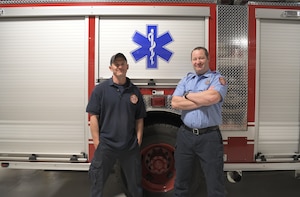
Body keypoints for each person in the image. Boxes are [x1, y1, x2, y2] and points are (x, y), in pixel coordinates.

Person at [86, 52, 146, 197]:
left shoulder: (134, 91)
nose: (120, 66)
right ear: (110, 67)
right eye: (116, 64)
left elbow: (139, 118)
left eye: (122, 64)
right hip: (106, 145)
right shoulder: (101, 90)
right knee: (97, 185)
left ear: (127, 67)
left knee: (135, 187)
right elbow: (93, 116)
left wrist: (138, 140)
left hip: (129, 146)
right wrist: (97, 143)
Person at [171, 46, 228, 197]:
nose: (198, 62)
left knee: (215, 183)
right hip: (185, 135)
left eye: (201, 58)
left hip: (209, 138)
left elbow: (213, 98)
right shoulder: (186, 79)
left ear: (208, 59)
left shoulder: (218, 79)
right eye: (195, 59)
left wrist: (188, 95)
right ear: (192, 61)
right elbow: (175, 103)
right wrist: (201, 98)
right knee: (181, 181)